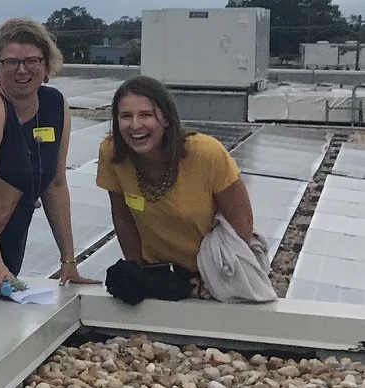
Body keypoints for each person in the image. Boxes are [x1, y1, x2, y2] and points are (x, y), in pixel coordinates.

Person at [0, 18, 96, 312]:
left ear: (47, 63)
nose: (22, 70)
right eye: (11, 62)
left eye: (31, 60)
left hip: (11, 240)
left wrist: (69, 260)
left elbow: (55, 183)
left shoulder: (54, 104)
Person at [96, 76, 257, 291]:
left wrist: (214, 277)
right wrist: (136, 271)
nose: (135, 125)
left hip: (216, 268)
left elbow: (241, 220)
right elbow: (122, 216)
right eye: (126, 116)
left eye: (146, 115)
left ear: (167, 119)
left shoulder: (206, 153)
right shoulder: (112, 153)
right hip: (161, 272)